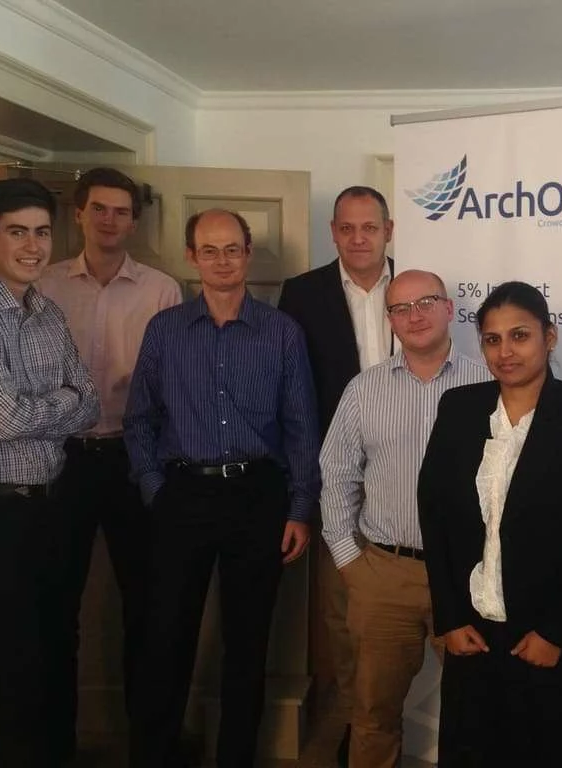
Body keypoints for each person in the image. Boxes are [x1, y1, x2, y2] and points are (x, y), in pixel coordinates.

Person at [123, 208, 320, 768]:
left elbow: (301, 426)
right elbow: (139, 420)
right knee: (166, 638)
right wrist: (156, 490)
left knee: (248, 643)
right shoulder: (165, 330)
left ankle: (236, 757)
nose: (222, 260)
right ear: (192, 257)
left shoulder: (282, 333)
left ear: (248, 253)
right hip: (182, 496)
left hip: (258, 498)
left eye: (232, 249)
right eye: (209, 250)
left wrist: (300, 507)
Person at [417, 281, 562, 767]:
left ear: (549, 337)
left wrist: (558, 632)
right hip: (475, 634)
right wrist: (450, 617)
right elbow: (435, 513)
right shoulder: (459, 409)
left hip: (555, 638)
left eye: (520, 336)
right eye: (492, 340)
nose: (505, 352)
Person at [320, 269, 489, 768]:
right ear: (390, 320)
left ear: (449, 309)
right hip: (384, 575)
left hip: (467, 576)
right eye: (401, 308)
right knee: (372, 713)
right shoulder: (364, 389)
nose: (415, 316)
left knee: (477, 712)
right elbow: (336, 475)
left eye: (426, 302)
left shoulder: (487, 385)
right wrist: (351, 562)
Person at [40, 166, 182, 755]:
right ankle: (54, 746)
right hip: (60, 460)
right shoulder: (44, 283)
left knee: (147, 606)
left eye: (121, 211)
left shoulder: (161, 289)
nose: (109, 220)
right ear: (78, 213)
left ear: (134, 222)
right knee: (54, 607)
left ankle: (150, 747)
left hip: (132, 457)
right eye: (99, 208)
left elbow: (174, 385)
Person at [0, 178, 100, 767]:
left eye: (42, 232)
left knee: (59, 642)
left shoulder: (49, 312)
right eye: (17, 232)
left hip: (56, 501)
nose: (33, 246)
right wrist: (61, 404)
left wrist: (45, 408)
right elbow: (1, 419)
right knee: (16, 656)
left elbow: (91, 403)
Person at [277, 185, 394, 764]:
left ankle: (413, 721)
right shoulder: (302, 294)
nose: (358, 238)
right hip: (337, 478)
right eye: (347, 228)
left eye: (369, 227)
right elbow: (291, 398)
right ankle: (355, 720)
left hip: (410, 476)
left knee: (416, 604)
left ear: (388, 230)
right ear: (333, 232)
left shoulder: (417, 286)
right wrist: (301, 495)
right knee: (344, 613)